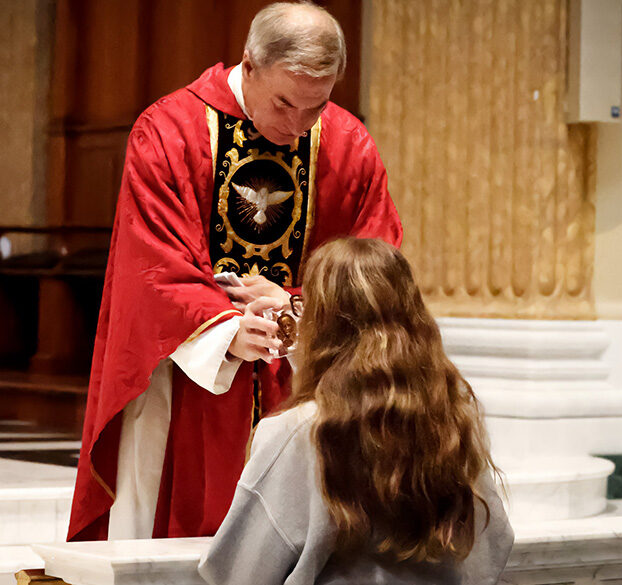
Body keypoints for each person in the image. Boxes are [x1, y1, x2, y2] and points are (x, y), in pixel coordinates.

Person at [68, 2, 403, 542]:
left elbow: (377, 266)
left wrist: (299, 305)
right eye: (285, 103)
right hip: (193, 380)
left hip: (310, 382)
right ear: (249, 64)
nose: (296, 127)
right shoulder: (169, 130)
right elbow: (151, 262)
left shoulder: (348, 144)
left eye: (315, 107)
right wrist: (225, 331)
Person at [199, 238, 513, 585]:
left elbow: (237, 572)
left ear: (322, 326)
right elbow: (495, 543)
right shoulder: (449, 418)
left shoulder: (299, 431)